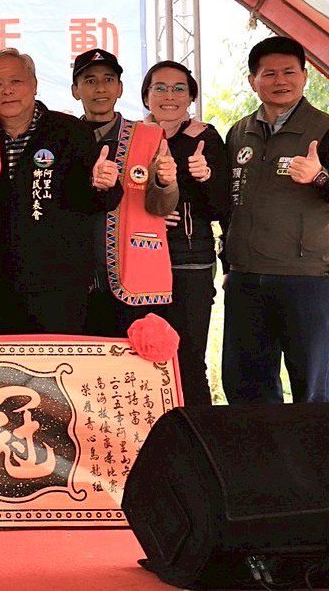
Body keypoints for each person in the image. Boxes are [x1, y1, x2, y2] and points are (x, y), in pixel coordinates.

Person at [222, 36, 329, 404]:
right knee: (246, 389)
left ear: (304, 76)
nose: (280, 81)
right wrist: (227, 263)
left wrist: (320, 176)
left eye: (289, 72)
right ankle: (260, 445)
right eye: (269, 74)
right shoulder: (238, 132)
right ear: (253, 81)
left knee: (312, 390)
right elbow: (227, 205)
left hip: (306, 279)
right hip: (245, 279)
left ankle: (315, 446)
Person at [0, 48, 122, 335]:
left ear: (34, 84)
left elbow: (97, 201)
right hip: (2, 283)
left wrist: (103, 184)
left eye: (16, 81)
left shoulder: (69, 131)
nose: (7, 91)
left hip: (63, 285)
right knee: (8, 362)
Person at [72, 48, 179, 336]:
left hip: (136, 276)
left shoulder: (149, 136)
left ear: (120, 88)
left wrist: (166, 182)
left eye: (108, 80)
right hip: (77, 279)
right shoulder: (65, 136)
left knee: (138, 359)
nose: (100, 88)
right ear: (75, 90)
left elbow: (161, 207)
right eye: (90, 81)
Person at [142, 60, 230, 405]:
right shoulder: (132, 137)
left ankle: (197, 434)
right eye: (160, 88)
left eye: (179, 89)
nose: (169, 96)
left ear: (191, 97)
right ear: (146, 96)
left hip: (190, 262)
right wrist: (147, 216)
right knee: (142, 356)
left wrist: (205, 176)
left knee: (188, 360)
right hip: (140, 263)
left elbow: (221, 208)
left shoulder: (205, 137)